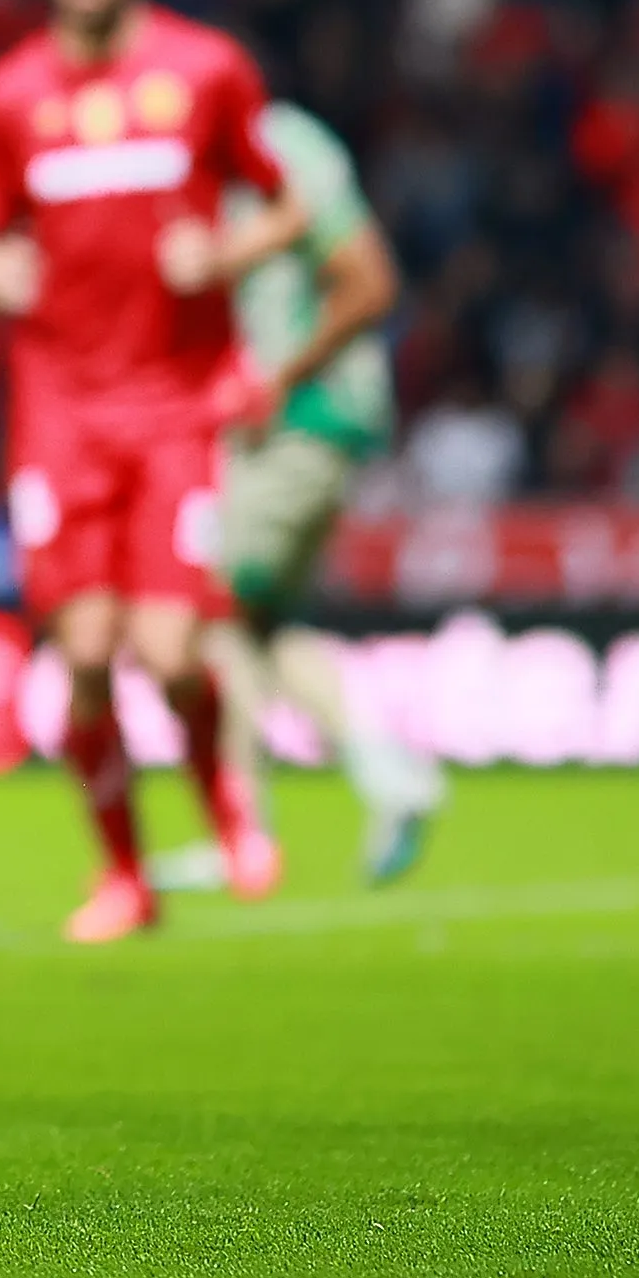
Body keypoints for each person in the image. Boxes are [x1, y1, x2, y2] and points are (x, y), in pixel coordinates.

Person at [0, 0, 304, 944]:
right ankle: (124, 879)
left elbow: (286, 209)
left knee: (170, 651)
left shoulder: (207, 70)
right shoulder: (9, 94)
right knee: (86, 655)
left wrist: (226, 248)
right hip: (59, 409)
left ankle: (226, 799)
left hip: (178, 406)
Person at [151, 99, 440, 888]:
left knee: (203, 607)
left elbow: (369, 283)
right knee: (259, 622)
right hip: (279, 427)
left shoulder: (277, 145)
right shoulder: (195, 156)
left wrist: (278, 379)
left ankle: (239, 831)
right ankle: (390, 771)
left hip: (301, 420)